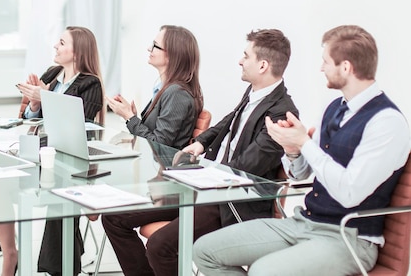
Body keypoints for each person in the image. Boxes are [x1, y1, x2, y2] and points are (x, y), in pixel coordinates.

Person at [193, 25, 410, 276]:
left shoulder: (386, 123)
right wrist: (293, 149)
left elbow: (350, 193)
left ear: (346, 67)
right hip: (304, 223)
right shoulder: (335, 109)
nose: (321, 68)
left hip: (348, 238)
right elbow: (299, 175)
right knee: (204, 251)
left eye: (326, 61)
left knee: (264, 272)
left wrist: (305, 144)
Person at [102, 28, 298, 275]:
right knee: (114, 218)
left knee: (160, 246)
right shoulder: (254, 94)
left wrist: (207, 173)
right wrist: (202, 142)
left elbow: (248, 166)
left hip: (232, 202)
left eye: (246, 56)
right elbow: (227, 122)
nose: (240, 60)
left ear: (262, 66)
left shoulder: (282, 113)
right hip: (208, 191)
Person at [17, 25, 104, 276]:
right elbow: (31, 117)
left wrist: (44, 97)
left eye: (62, 43)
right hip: (45, 151)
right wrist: (35, 103)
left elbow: (78, 124)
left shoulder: (91, 84)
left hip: (73, 157)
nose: (56, 46)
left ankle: (60, 269)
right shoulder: (53, 73)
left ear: (78, 52)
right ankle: (65, 264)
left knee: (61, 196)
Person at [106, 25, 203, 149]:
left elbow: (158, 145)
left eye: (155, 46)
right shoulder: (167, 89)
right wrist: (131, 116)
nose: (149, 49)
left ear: (172, 55)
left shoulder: (177, 94)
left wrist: (129, 117)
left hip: (166, 166)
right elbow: (154, 135)